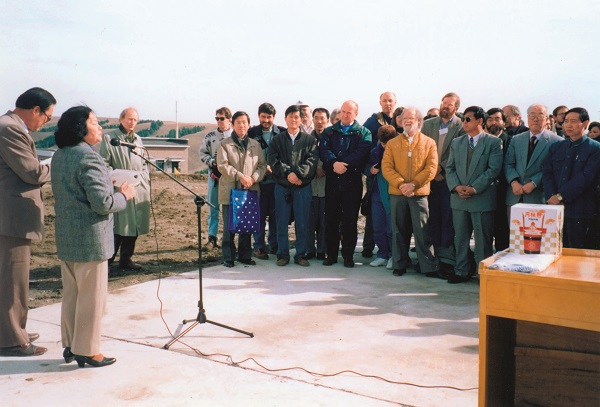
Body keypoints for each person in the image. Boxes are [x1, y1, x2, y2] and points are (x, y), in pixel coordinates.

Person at [52, 106, 136, 367]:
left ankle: (71, 345)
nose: (100, 127)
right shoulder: (90, 158)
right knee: (92, 299)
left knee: (73, 296)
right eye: (95, 122)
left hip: (68, 237)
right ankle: (87, 350)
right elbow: (102, 204)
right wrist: (123, 195)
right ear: (80, 127)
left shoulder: (60, 155)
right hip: (91, 240)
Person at [0, 87, 55, 357]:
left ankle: (13, 329)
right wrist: (58, 165)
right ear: (35, 110)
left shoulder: (11, 126)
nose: (46, 122)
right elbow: (32, 173)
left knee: (12, 278)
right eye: (47, 116)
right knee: (12, 279)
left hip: (12, 216)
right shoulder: (9, 128)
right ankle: (11, 339)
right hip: (10, 217)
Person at [445, 106, 503, 284]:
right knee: (460, 238)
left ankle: (482, 273)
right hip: (459, 199)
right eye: (463, 119)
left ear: (480, 121)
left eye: (468, 119)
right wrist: (456, 187)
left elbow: (493, 170)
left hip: (481, 199)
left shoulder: (493, 142)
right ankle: (461, 270)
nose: (464, 122)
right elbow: (450, 168)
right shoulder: (457, 142)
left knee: (483, 240)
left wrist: (474, 188)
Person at [382, 108, 439, 277]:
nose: (407, 121)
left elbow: (431, 168)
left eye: (411, 118)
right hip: (398, 193)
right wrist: (401, 185)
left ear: (419, 121)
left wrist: (413, 184)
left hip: (419, 193)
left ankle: (428, 266)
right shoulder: (393, 143)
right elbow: (387, 167)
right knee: (399, 229)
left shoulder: (429, 143)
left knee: (422, 231)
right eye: (404, 118)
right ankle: (399, 264)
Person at [319, 100, 372, 268]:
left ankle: (348, 256)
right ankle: (331, 255)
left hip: (352, 182)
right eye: (343, 111)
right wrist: (334, 163)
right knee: (331, 220)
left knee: (350, 220)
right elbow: (324, 150)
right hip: (333, 181)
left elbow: (361, 153)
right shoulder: (329, 132)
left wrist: (343, 165)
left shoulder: (364, 133)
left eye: (349, 112)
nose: (345, 115)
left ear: (356, 114)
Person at [421, 92, 466, 278]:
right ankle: (432, 260)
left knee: (448, 221)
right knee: (431, 220)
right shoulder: (429, 124)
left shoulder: (461, 127)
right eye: (443, 103)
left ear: (456, 108)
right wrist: (433, 171)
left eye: (450, 104)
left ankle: (448, 261)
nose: (445, 106)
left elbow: (458, 152)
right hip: (429, 180)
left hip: (448, 181)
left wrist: (441, 170)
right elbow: (421, 148)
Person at [99, 107, 150, 271]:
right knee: (119, 226)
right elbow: (104, 163)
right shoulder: (109, 138)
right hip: (119, 187)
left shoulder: (137, 139)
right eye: (129, 119)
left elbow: (143, 163)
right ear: (121, 119)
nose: (132, 122)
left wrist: (143, 177)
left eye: (135, 120)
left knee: (133, 225)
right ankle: (107, 261)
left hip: (137, 187)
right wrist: (115, 177)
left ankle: (126, 259)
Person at [542, 107, 600, 249]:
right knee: (553, 249)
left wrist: (561, 196)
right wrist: (551, 195)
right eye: (566, 121)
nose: (568, 125)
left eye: (573, 121)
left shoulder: (595, 149)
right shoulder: (556, 147)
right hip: (554, 209)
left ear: (585, 123)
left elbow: (586, 177)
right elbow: (547, 172)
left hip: (581, 210)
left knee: (577, 251)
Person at [268, 105, 318, 266]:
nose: (294, 120)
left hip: (302, 187)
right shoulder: (277, 140)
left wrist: (298, 175)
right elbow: (273, 160)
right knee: (281, 221)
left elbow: (312, 161)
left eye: (297, 117)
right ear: (285, 119)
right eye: (290, 117)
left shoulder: (309, 140)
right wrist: (288, 173)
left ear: (301, 119)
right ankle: (282, 254)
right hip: (282, 186)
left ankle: (300, 254)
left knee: (302, 222)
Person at [217, 111, 266, 267]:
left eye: (244, 122)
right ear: (233, 125)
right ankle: (228, 257)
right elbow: (222, 166)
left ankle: (245, 255)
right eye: (238, 122)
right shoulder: (225, 144)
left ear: (249, 124)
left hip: (249, 189)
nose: (242, 125)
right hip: (230, 190)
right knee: (229, 225)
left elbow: (262, 166)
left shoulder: (255, 145)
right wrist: (239, 176)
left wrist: (253, 178)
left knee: (247, 224)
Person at [504, 104, 562, 209]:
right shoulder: (516, 139)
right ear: (527, 118)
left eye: (540, 115)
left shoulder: (557, 141)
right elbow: (508, 163)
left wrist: (534, 183)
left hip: (539, 198)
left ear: (546, 119)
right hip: (515, 196)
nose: (535, 119)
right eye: (532, 115)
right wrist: (513, 182)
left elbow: (554, 168)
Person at [248, 103, 285, 260]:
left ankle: (274, 245)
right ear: (259, 116)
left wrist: (275, 167)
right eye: (263, 116)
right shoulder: (251, 133)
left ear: (273, 117)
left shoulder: (281, 133)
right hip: (259, 182)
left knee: (276, 216)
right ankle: (258, 247)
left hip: (277, 181)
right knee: (259, 216)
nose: (266, 120)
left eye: (269, 117)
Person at [362, 92, 397, 258]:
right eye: (385, 100)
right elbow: (364, 145)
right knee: (374, 217)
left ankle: (392, 254)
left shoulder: (399, 119)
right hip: (376, 175)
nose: (388, 103)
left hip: (394, 178)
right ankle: (373, 249)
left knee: (391, 219)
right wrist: (370, 167)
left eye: (390, 100)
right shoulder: (372, 121)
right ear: (380, 102)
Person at [199, 107, 233, 248]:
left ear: (229, 119)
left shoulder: (235, 135)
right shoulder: (210, 136)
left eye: (222, 118)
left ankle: (229, 238)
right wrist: (212, 163)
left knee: (229, 209)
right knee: (213, 208)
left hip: (230, 178)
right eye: (217, 118)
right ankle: (212, 237)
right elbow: (203, 153)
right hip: (213, 177)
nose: (219, 121)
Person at [367, 125, 397, 269]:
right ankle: (382, 254)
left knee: (391, 226)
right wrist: (370, 169)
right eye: (383, 143)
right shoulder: (375, 151)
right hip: (377, 191)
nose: (385, 146)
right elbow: (365, 167)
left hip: (392, 191)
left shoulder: (400, 151)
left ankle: (393, 255)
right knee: (378, 225)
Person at [485, 107, 512, 252]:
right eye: (490, 119)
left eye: (497, 119)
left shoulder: (510, 141)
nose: (493, 122)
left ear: (504, 122)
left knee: (502, 232)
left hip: (502, 193)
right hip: (483, 192)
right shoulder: (482, 141)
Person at [306, 108, 329, 260]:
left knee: (325, 221)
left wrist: (325, 168)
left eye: (322, 118)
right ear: (312, 119)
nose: (319, 121)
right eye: (316, 118)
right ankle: (309, 250)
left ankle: (322, 249)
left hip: (327, 186)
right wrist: (314, 168)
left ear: (327, 120)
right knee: (309, 220)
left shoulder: (332, 137)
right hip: (310, 185)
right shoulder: (306, 139)